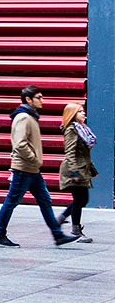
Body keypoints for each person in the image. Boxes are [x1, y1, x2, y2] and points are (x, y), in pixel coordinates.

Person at [0, 85, 77, 247]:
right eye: (39, 97)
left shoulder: (30, 116)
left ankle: (58, 235)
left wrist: (35, 162)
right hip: (24, 168)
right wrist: (34, 159)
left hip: (32, 169)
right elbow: (20, 144)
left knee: (44, 200)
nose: (42, 100)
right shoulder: (23, 117)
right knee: (12, 201)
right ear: (28, 99)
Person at [57, 102, 97, 242]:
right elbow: (70, 152)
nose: (83, 113)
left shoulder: (82, 128)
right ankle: (75, 231)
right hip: (74, 169)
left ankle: (60, 220)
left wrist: (91, 168)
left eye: (83, 111)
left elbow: (84, 153)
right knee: (80, 200)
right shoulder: (71, 130)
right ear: (72, 114)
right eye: (80, 111)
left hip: (82, 168)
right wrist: (74, 172)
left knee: (82, 200)